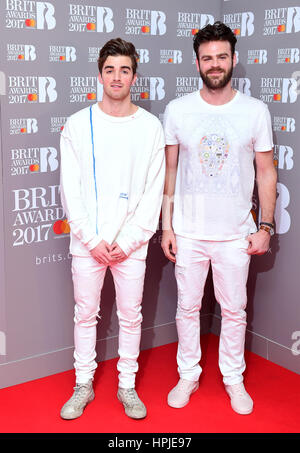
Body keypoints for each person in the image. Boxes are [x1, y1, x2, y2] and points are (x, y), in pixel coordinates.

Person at [161, 21, 277, 415]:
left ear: (233, 60)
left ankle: (233, 378)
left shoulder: (255, 111)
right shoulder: (177, 110)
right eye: (207, 58)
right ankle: (188, 374)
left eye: (221, 57)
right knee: (187, 309)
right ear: (197, 63)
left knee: (234, 311)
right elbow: (170, 173)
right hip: (189, 233)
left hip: (235, 235)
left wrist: (265, 226)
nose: (215, 64)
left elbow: (266, 172)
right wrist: (167, 225)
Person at [59, 38, 165, 420]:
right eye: (110, 69)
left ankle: (127, 385)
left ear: (134, 76)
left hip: (130, 247)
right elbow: (70, 189)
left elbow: (154, 192)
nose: (117, 77)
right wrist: (91, 239)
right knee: (85, 314)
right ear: (100, 75)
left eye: (124, 69)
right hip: (87, 244)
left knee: (131, 315)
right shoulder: (76, 124)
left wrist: (128, 240)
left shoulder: (151, 127)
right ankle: (83, 384)